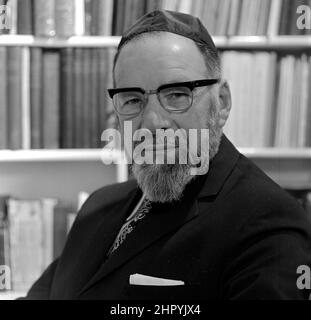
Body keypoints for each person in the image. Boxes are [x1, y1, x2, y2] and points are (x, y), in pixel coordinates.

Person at [24, 10, 311, 300]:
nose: (151, 122)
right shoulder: (98, 206)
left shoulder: (267, 223)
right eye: (133, 99)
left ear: (221, 103)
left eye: (176, 94)